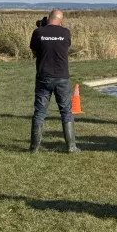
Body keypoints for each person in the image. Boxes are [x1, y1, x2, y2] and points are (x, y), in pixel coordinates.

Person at [28, 9, 79, 153]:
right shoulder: (65, 32)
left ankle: (34, 147)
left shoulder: (38, 32)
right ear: (61, 20)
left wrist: (42, 28)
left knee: (39, 112)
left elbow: (34, 49)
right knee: (66, 112)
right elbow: (66, 45)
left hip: (44, 76)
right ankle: (71, 146)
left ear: (48, 18)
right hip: (62, 76)